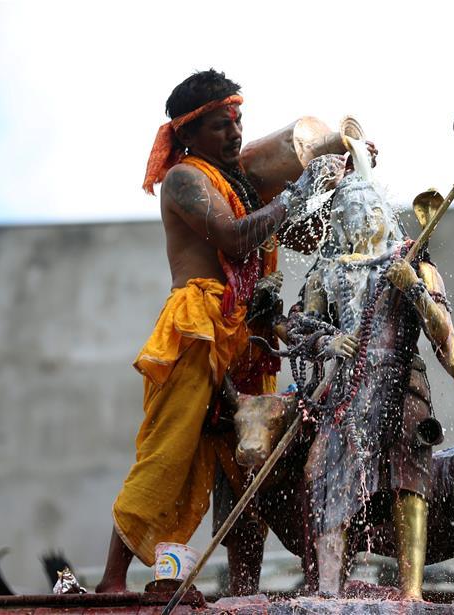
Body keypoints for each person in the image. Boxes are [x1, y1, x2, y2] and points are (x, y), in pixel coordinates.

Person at [96, 69, 346, 593]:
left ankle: (243, 590)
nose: (235, 133)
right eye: (219, 126)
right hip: (199, 328)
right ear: (188, 133)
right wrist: (297, 191)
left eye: (238, 121)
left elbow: (306, 235)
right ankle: (112, 581)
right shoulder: (185, 179)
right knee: (170, 453)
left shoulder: (245, 184)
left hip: (250, 335)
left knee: (249, 462)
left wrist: (339, 181)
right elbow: (233, 239)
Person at [287, 152, 454, 600]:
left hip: (404, 383)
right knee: (324, 474)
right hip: (347, 391)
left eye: (372, 208)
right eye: (352, 211)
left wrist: (413, 287)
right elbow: (298, 327)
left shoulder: (413, 262)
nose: (364, 217)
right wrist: (327, 341)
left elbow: (443, 334)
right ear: (339, 221)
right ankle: (329, 589)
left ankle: (411, 590)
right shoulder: (327, 271)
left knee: (408, 476)